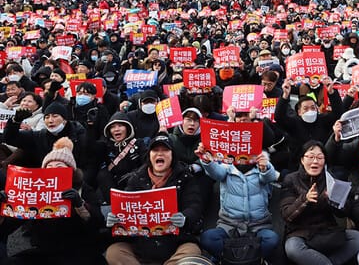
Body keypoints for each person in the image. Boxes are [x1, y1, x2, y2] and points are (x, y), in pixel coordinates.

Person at [105, 134, 208, 264]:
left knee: (192, 251)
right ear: (149, 155)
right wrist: (114, 219)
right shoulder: (136, 179)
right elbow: (124, 208)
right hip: (141, 243)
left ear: (172, 155)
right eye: (155, 150)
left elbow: (195, 205)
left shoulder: (185, 177)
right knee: (114, 252)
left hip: (175, 242)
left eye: (165, 150)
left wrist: (184, 217)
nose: (160, 154)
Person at [3, 137, 105, 264]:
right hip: (44, 251)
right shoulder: (35, 191)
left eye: (59, 166)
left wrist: (80, 205)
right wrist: (6, 204)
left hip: (76, 250)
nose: (54, 169)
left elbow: (97, 223)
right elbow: (7, 227)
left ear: (70, 171)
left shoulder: (82, 189)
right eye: (49, 166)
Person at [279, 140, 359, 265]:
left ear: (324, 161)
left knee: (357, 238)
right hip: (300, 233)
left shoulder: (330, 179)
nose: (315, 161)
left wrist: (335, 199)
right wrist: (305, 199)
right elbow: (287, 215)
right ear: (302, 160)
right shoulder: (291, 179)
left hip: (327, 232)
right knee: (292, 249)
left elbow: (344, 212)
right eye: (311, 157)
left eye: (320, 157)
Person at [195, 143, 280, 263]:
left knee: (271, 239)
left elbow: (270, 177)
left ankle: (254, 260)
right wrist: (206, 160)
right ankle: (227, 258)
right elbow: (215, 172)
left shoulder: (261, 164)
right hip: (229, 225)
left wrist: (265, 167)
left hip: (258, 226)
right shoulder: (226, 166)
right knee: (207, 238)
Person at [94, 112, 147, 203]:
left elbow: (146, 163)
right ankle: (114, 207)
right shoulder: (106, 146)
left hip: (135, 184)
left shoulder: (139, 143)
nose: (116, 129)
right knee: (102, 175)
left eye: (120, 126)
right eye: (113, 127)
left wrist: (135, 174)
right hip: (114, 188)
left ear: (128, 128)